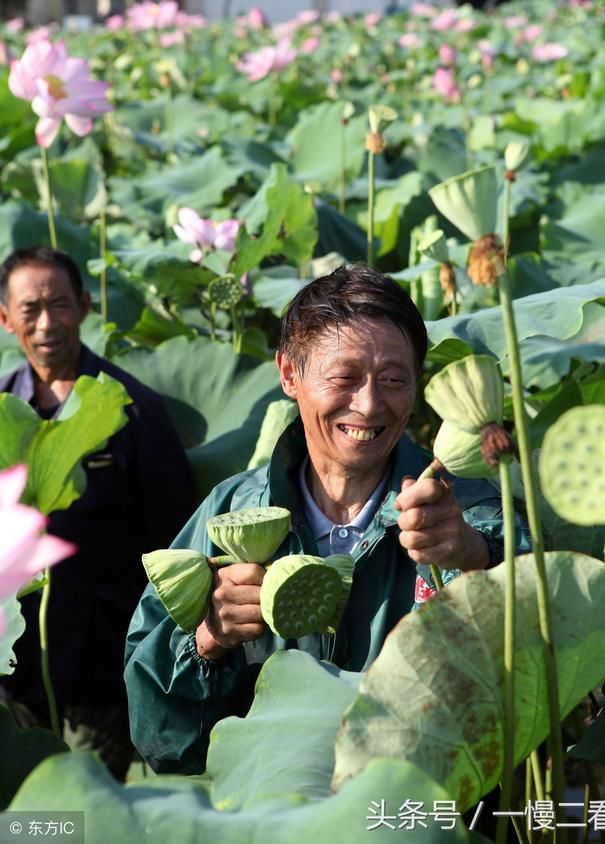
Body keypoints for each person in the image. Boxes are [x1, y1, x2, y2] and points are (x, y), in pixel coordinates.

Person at [124, 264, 530, 775]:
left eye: (393, 380)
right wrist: (208, 642)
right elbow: (161, 741)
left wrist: (472, 557)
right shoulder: (227, 513)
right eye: (344, 377)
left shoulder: (467, 508)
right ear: (289, 375)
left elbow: (546, 658)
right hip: (269, 808)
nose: (369, 404)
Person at [0, 245, 196, 780]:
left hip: (101, 651)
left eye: (59, 305)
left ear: (85, 306)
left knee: (85, 802)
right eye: (29, 310)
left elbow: (176, 535)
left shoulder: (132, 408)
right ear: (5, 318)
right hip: (14, 652)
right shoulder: (1, 407)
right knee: (21, 795)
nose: (46, 323)